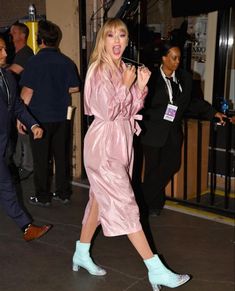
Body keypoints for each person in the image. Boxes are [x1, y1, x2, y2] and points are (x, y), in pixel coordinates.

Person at [71, 18, 190, 291]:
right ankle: (155, 269)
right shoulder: (97, 70)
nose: (117, 40)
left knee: (99, 203)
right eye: (111, 35)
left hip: (123, 141)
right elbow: (107, 111)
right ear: (103, 39)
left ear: (127, 40)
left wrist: (137, 87)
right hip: (103, 145)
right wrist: (127, 86)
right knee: (126, 204)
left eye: (121, 35)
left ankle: (81, 252)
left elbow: (130, 109)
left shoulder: (124, 67)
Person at [140, 40, 227, 216]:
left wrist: (212, 113)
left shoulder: (185, 78)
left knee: (172, 164)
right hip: (152, 130)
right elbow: (140, 101)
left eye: (179, 58)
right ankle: (154, 205)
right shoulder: (151, 78)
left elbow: (192, 102)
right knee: (152, 169)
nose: (177, 61)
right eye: (173, 58)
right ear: (164, 58)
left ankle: (140, 200)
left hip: (172, 131)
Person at [20, 19, 81, 207]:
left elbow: (27, 93)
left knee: (41, 159)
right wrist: (58, 88)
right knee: (61, 156)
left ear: (40, 40)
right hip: (62, 117)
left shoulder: (34, 62)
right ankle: (63, 193)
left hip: (39, 119)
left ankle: (43, 196)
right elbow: (74, 87)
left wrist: (21, 118)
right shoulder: (66, 62)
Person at [0, 35, 51, 241]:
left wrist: (33, 124)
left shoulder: (7, 76)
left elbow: (18, 106)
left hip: (4, 142)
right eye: (1, 49)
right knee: (6, 185)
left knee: (5, 185)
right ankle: (26, 227)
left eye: (5, 49)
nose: (5, 54)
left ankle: (26, 227)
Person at [8, 22, 34, 181]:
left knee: (23, 133)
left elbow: (11, 71)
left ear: (22, 35)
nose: (11, 35)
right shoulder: (16, 53)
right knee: (17, 135)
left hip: (24, 99)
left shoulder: (26, 53)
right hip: (15, 99)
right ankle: (18, 163)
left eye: (14, 32)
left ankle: (28, 166)